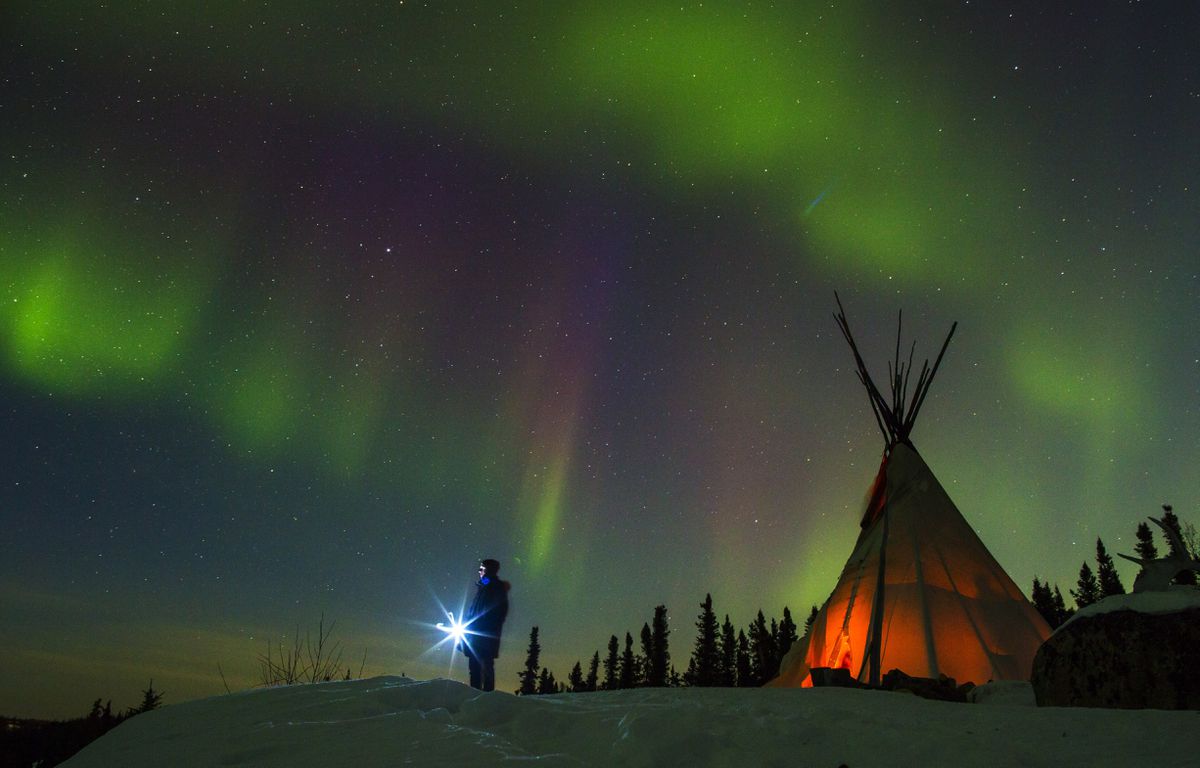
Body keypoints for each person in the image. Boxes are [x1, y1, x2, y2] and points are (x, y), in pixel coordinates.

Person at [461, 558, 509, 691]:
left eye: (482, 569)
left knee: (485, 666)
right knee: (475, 667)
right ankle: (475, 696)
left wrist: (482, 627)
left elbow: (498, 613)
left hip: (485, 636)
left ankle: (486, 698)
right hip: (476, 636)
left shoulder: (495, 587)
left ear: (489, 570)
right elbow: (473, 612)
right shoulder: (484, 588)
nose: (479, 571)